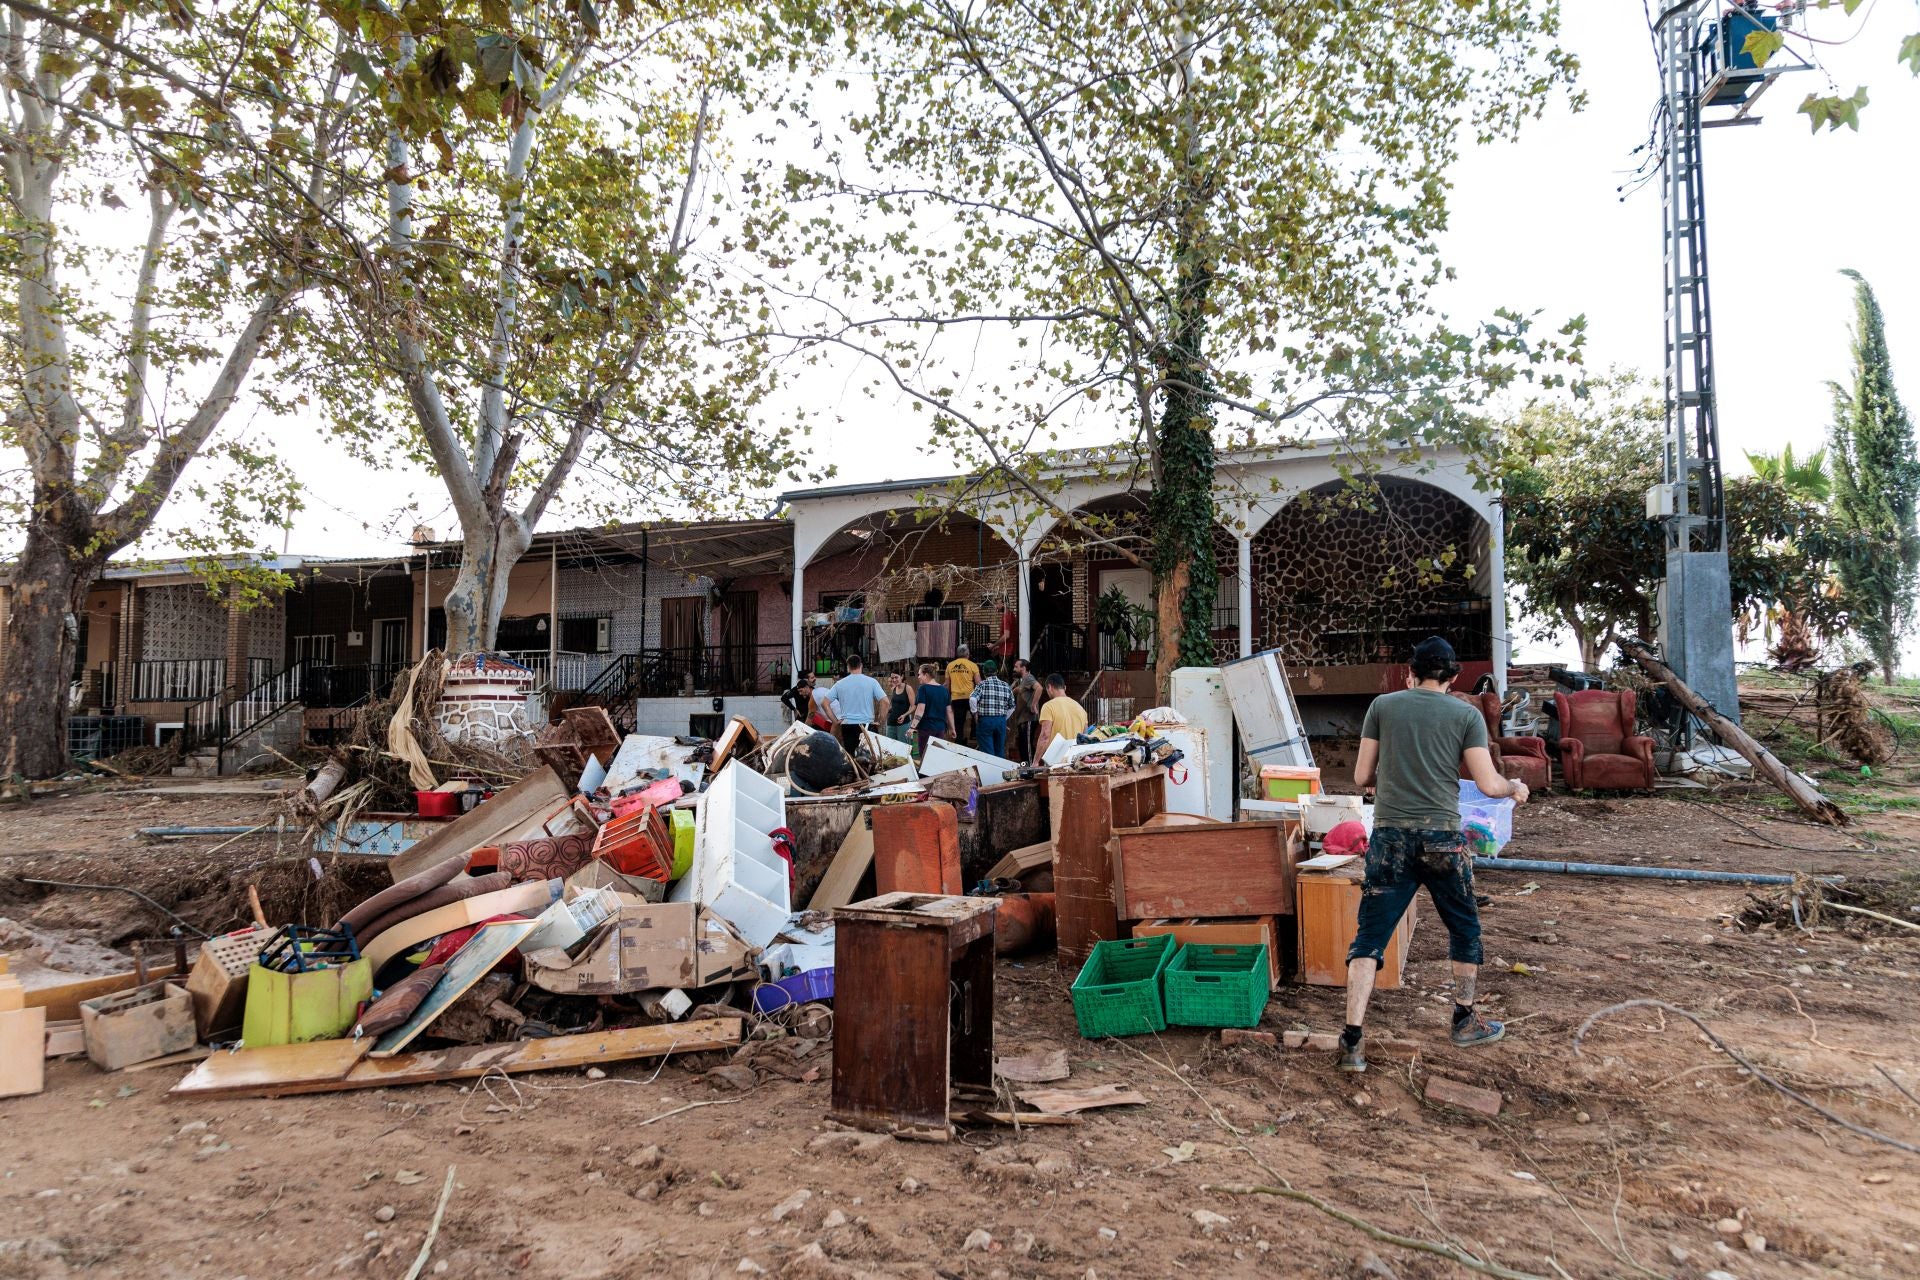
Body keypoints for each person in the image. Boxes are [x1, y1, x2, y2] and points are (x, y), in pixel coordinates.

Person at [1337, 636, 1530, 1075]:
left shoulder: (1382, 707)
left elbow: (1362, 775)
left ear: (1411, 672)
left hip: (1389, 839)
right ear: (1453, 677)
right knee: (1464, 930)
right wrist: (1515, 789)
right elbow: (1487, 784)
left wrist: (1388, 779)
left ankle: (1352, 1041)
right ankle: (1464, 1021)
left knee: (1368, 939)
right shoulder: (1466, 714)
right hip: (1443, 840)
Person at [825, 653, 886, 754]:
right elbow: (885, 702)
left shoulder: (840, 684)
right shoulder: (872, 682)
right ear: (861, 665)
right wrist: (881, 721)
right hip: (867, 725)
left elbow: (825, 703)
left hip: (848, 726)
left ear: (848, 667)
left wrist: (835, 721)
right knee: (870, 760)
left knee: (852, 759)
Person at [1031, 673, 1089, 763]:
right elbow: (1085, 736)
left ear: (1049, 687)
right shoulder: (1081, 708)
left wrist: (1035, 761)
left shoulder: (1049, 706)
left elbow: (1045, 736)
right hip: (1075, 760)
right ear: (1064, 688)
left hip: (1056, 760)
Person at [970, 660, 1014, 759]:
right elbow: (1012, 707)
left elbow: (972, 698)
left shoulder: (982, 685)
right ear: (997, 671)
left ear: (984, 672)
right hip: (1000, 721)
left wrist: (975, 713)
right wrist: (1004, 718)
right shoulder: (1006, 685)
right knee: (999, 751)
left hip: (985, 721)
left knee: (987, 753)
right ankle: (999, 773)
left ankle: (989, 773)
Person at [910, 662, 954, 758]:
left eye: (919, 674)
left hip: (926, 728)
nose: (918, 677)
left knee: (925, 756)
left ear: (926, 675)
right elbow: (949, 711)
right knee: (936, 756)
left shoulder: (923, 688)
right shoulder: (944, 690)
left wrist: (912, 727)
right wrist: (953, 728)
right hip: (940, 729)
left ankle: (924, 774)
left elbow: (920, 709)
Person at [945, 643, 980, 746]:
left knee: (959, 722)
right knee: (976, 716)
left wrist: (947, 699)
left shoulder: (950, 665)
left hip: (956, 698)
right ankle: (974, 735)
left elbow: (947, 685)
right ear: (967, 654)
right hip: (971, 697)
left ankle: (959, 742)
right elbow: (979, 683)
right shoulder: (973, 665)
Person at [1007, 657, 1041, 760]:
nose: (1014, 669)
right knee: (1022, 746)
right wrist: (1014, 691)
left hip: (1029, 718)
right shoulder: (1024, 681)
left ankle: (1031, 769)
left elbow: (1039, 688)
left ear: (1023, 668)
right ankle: (1025, 769)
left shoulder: (1029, 678)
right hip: (1023, 719)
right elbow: (1021, 689)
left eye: (1016, 667)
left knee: (1027, 746)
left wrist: (1033, 705)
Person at [884, 672, 914, 743]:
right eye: (892, 678)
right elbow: (893, 705)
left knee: (903, 747)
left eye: (896, 677)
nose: (894, 680)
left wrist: (904, 715)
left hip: (903, 724)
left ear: (902, 676)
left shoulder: (908, 688)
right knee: (889, 746)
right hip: (891, 723)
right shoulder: (894, 688)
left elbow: (913, 706)